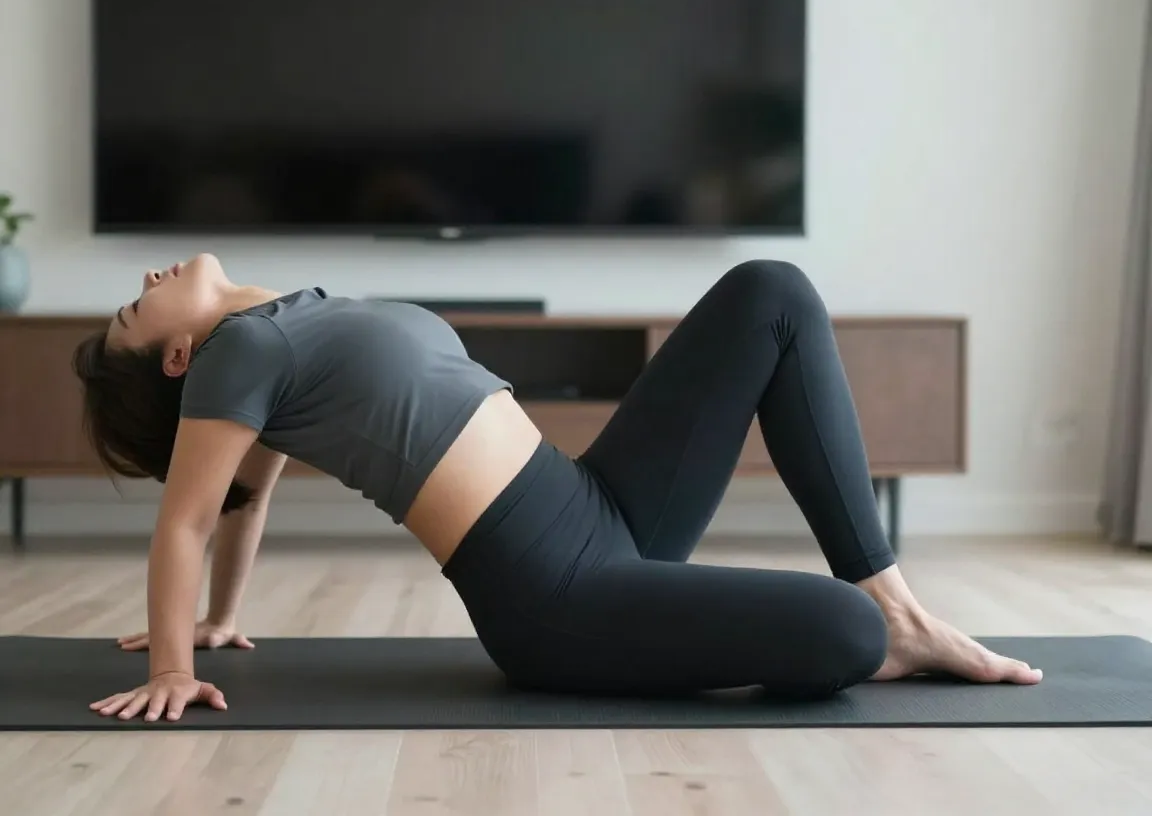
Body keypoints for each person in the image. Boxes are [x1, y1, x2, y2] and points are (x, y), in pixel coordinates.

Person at [72, 255, 1042, 723]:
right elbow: (190, 516)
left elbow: (252, 489)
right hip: (551, 594)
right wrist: (169, 665)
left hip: (596, 505)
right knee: (843, 638)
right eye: (133, 306)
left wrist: (224, 614)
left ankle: (895, 597)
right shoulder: (235, 357)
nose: (147, 276)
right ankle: (879, 623)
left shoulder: (288, 323)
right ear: (177, 357)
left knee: (771, 294)